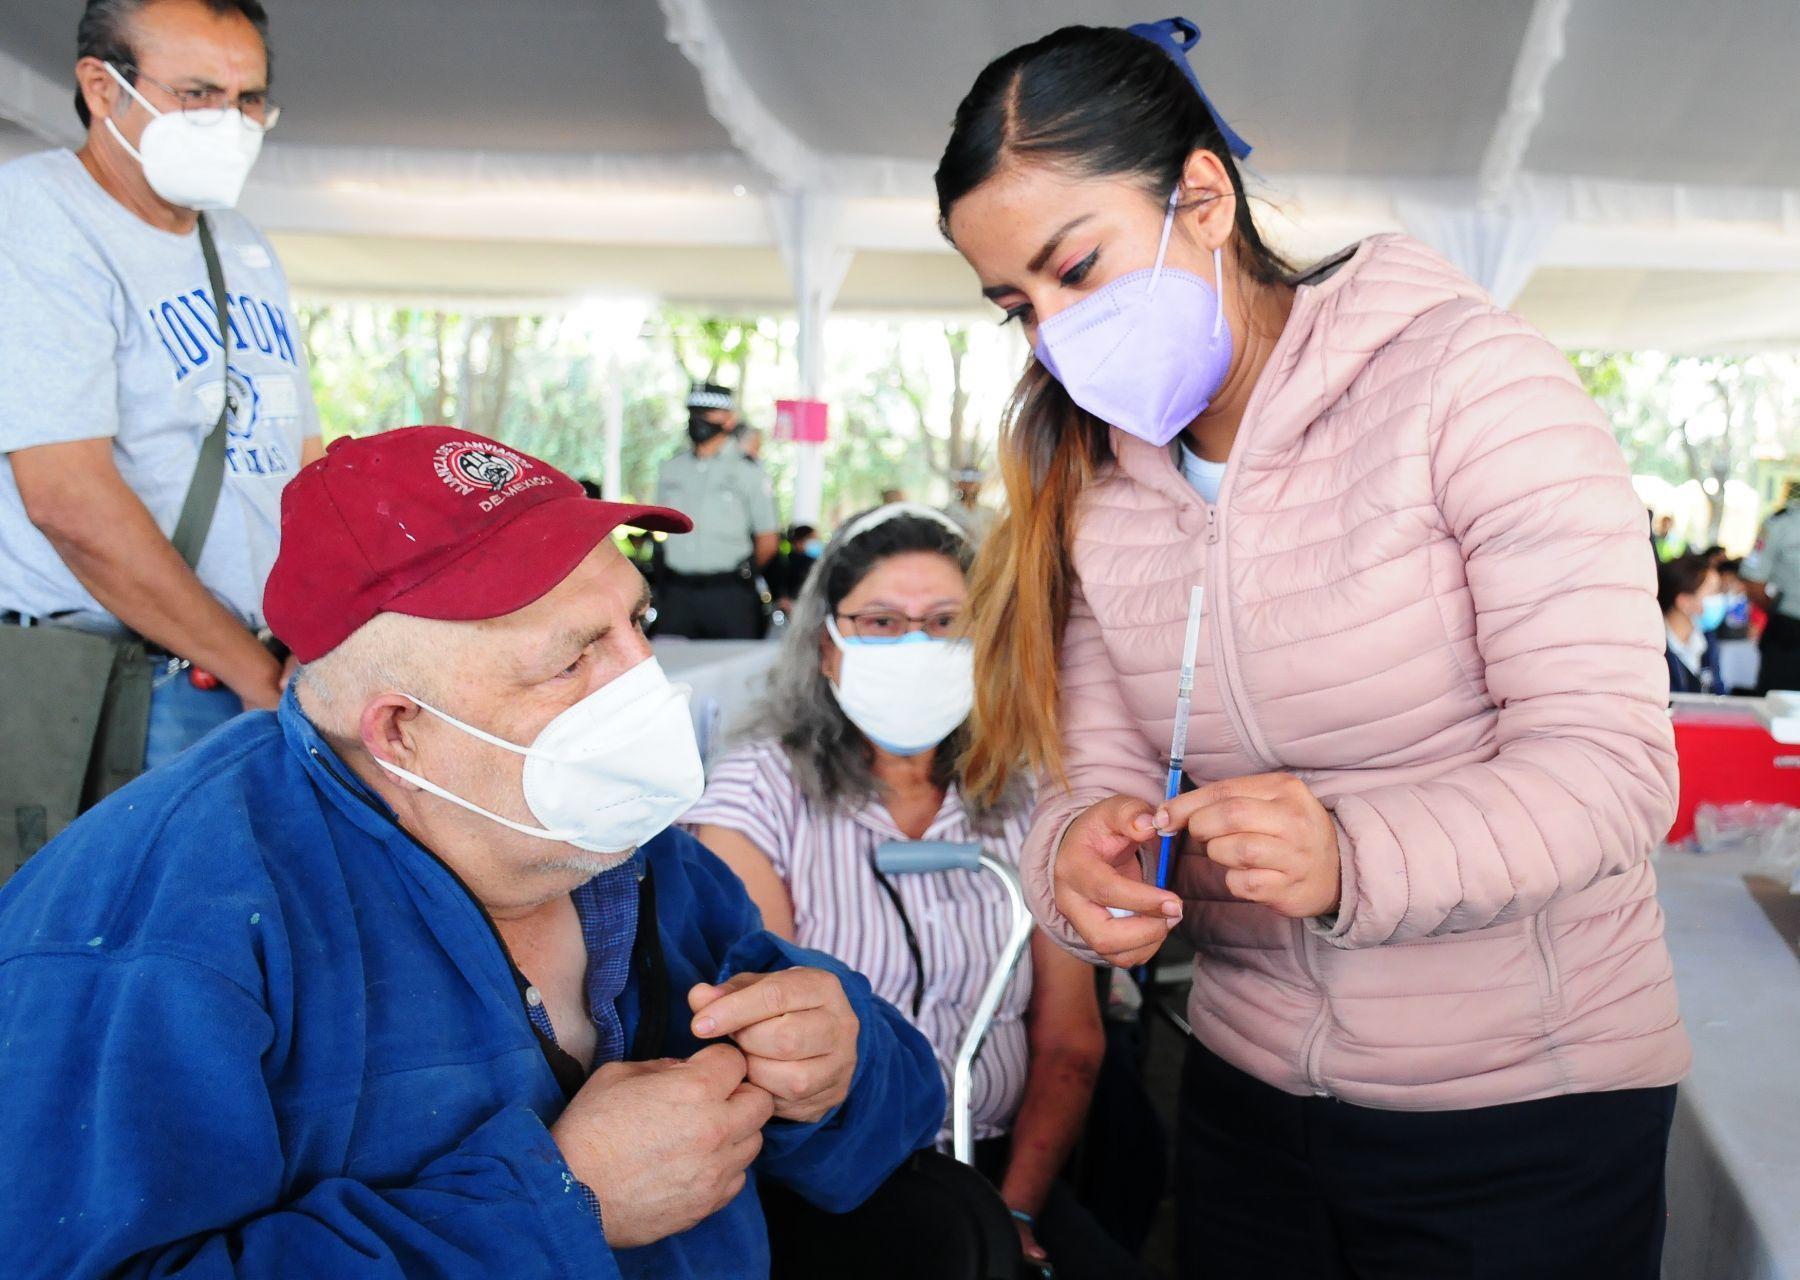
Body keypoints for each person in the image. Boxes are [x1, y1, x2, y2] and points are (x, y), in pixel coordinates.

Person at [937, 19, 1688, 1279]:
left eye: (1077, 268)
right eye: (1019, 305)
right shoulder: (1103, 479)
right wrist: (1076, 853)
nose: (1055, 333)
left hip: (1522, 1108)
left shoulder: (1470, 384)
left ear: (1203, 197)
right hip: (1248, 1098)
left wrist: (1349, 854)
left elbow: (1612, 771)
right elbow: (1090, 777)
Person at [0, 427, 945, 1279]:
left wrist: (839, 1069)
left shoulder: (625, 841)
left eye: (638, 624)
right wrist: (561, 1203)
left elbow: (894, 1127)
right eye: (573, 659)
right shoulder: (149, 933)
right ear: (401, 732)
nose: (644, 683)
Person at [686, 503, 1143, 1280]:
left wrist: (1015, 1212)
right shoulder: (757, 792)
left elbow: (1070, 1043)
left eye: (944, 622)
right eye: (881, 622)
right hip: (828, 1175)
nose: (916, 645)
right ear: (828, 647)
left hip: (1001, 1165)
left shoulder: (1034, 798)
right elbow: (770, 1034)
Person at [0, 0, 322, 774]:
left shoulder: (239, 241)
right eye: (197, 94)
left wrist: (316, 637)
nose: (229, 122)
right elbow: (68, 499)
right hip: (119, 680)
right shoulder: (36, 216)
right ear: (101, 87)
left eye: (248, 99)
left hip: (252, 673)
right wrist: (252, 673)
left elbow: (303, 461)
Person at [654, 382, 778, 640]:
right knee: (671, 660)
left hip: (729, 594)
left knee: (734, 662)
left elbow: (768, 539)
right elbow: (658, 526)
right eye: (694, 412)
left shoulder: (748, 471)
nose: (699, 420)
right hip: (676, 594)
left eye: (708, 413)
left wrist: (742, 574)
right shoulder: (671, 469)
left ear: (729, 419)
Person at [1743, 490, 1800, 693]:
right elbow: (1753, 581)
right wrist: (1776, 609)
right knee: (1778, 702)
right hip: (1789, 637)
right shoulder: (1781, 524)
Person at [1657, 553, 1724, 694]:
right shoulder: (1655, 645)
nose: (1720, 598)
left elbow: (1718, 693)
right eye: (1712, 592)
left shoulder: (1707, 641)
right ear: (1684, 601)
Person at [942, 466, 998, 544]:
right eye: (966, 483)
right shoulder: (949, 512)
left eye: (973, 483)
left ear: (979, 486)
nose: (970, 487)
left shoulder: (989, 513)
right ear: (959, 485)